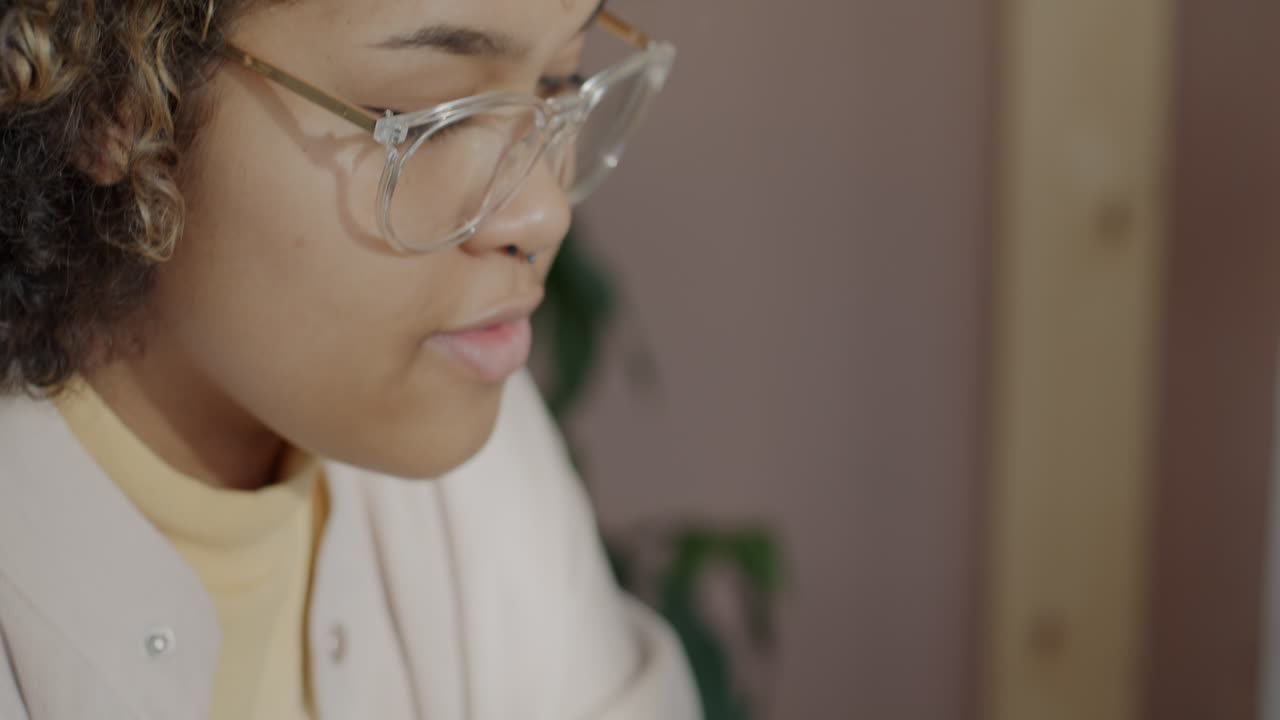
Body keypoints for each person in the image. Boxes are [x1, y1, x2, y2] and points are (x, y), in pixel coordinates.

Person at [0, 0, 698, 717]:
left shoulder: (484, 460)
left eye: (559, 79)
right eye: (430, 113)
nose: (544, 212)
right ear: (109, 97)